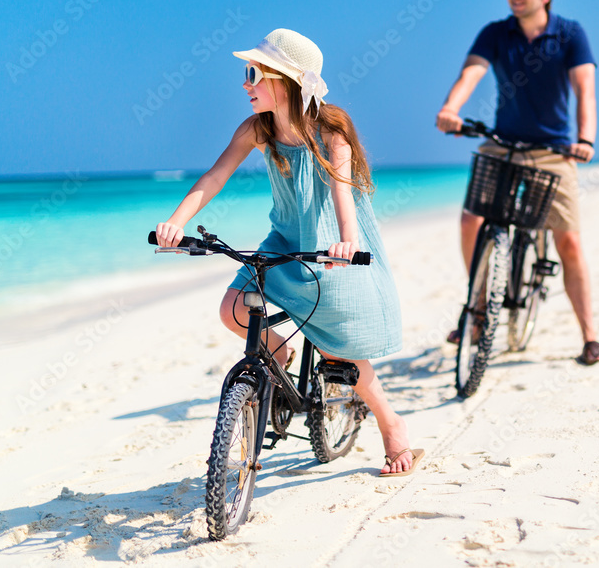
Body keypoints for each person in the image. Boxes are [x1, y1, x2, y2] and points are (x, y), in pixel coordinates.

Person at [156, 28, 424, 476]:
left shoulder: (331, 131)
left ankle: (390, 422)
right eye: (247, 72)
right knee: (232, 309)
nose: (246, 83)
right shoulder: (257, 129)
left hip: (328, 246)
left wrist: (347, 241)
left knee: (342, 352)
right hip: (282, 242)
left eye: (255, 73)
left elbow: (342, 193)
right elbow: (215, 175)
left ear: (289, 81)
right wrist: (176, 223)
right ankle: (278, 356)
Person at [435, 0, 599, 366]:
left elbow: (585, 90)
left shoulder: (571, 34)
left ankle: (591, 338)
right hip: (504, 141)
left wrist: (585, 139)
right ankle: (478, 307)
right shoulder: (495, 33)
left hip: (554, 149)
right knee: (471, 220)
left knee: (568, 241)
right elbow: (471, 73)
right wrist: (450, 109)